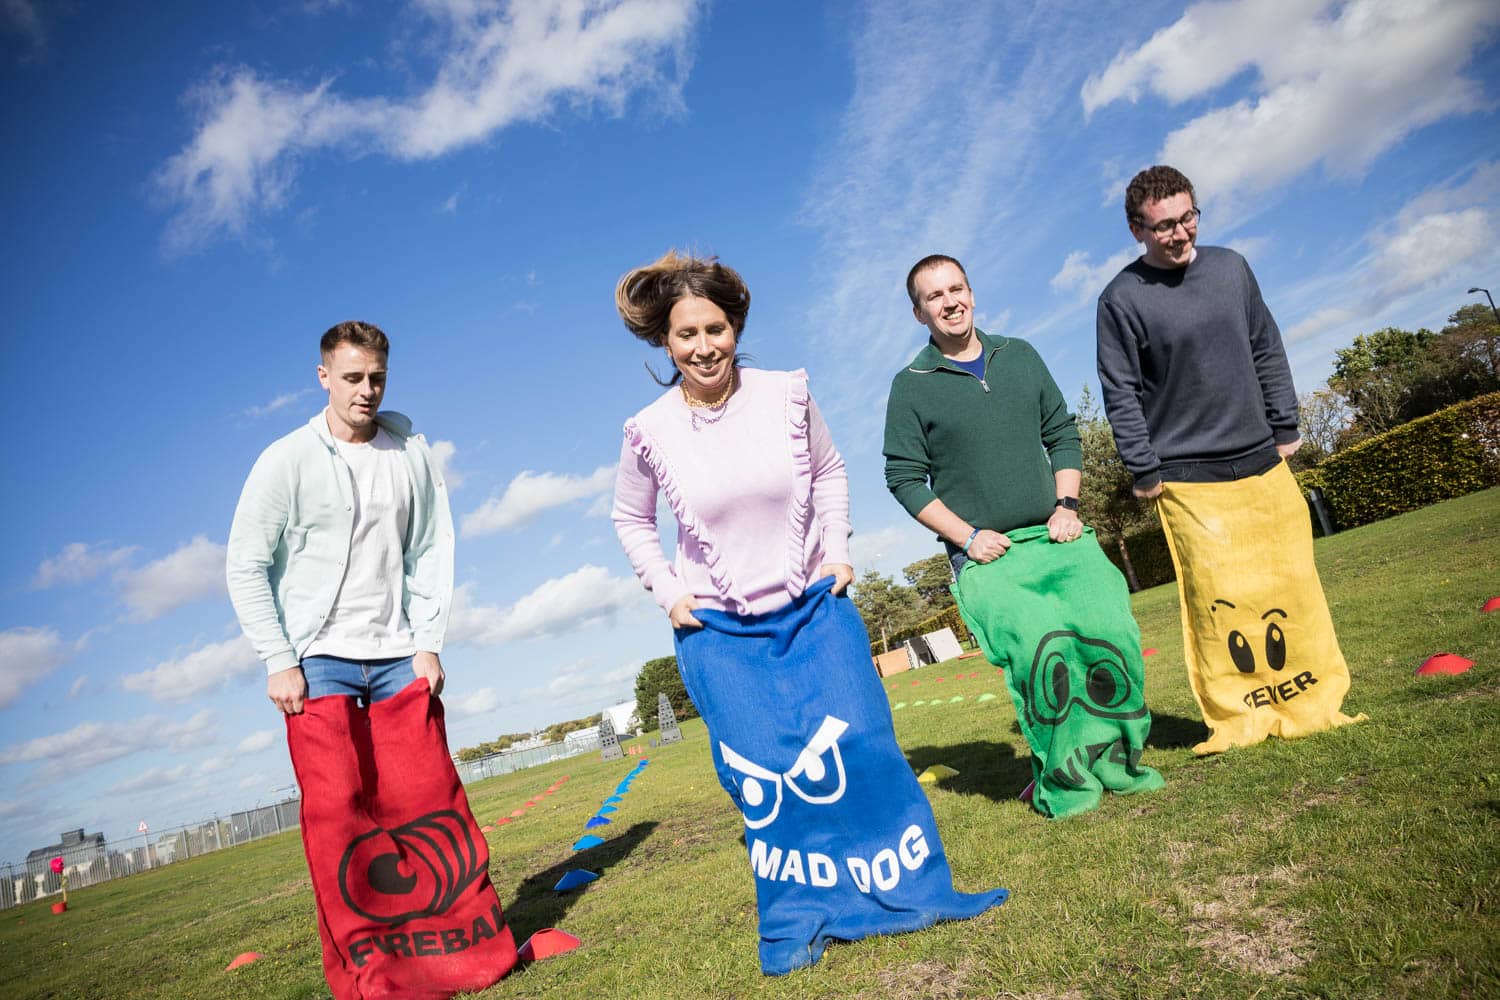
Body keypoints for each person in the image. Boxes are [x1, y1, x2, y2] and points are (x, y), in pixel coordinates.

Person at [611, 251, 1006, 976]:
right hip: (720, 632)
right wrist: (669, 592)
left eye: (715, 329)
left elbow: (829, 470)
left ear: (736, 328)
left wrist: (839, 552)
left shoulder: (785, 393)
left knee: (866, 745)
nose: (704, 347)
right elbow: (631, 520)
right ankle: (796, 918)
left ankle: (916, 890)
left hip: (814, 609)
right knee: (767, 778)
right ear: (665, 343)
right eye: (687, 334)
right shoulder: (649, 430)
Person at [226, 321, 516, 999]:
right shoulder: (286, 459)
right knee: (338, 817)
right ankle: (372, 971)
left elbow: (430, 551)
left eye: (376, 377)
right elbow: (245, 564)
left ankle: (463, 954)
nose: (366, 390)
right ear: (323, 376)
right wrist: (278, 657)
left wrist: (428, 642)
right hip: (317, 659)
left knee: (428, 801)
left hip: (396, 656)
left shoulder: (409, 452)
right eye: (352, 377)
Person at [1096, 165, 1364, 755]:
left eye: (1188, 217)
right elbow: (1121, 391)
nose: (1180, 232)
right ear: (1137, 229)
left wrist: (1285, 424)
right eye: (1164, 225)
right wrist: (1143, 467)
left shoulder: (1231, 268)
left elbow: (1265, 345)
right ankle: (1240, 714)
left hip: (1263, 460)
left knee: (1293, 585)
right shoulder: (1120, 299)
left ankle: (1313, 697)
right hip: (1187, 479)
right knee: (1221, 605)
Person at [883, 255, 1164, 819]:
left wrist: (1067, 506)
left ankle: (1117, 762)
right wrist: (968, 538)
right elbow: (904, 478)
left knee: (1111, 635)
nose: (950, 302)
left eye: (956, 288)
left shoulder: (1020, 354)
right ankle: (1063, 778)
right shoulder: (910, 386)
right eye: (934, 296)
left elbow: (1061, 432)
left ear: (971, 293)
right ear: (919, 313)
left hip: (1057, 534)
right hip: (989, 556)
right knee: (1042, 657)